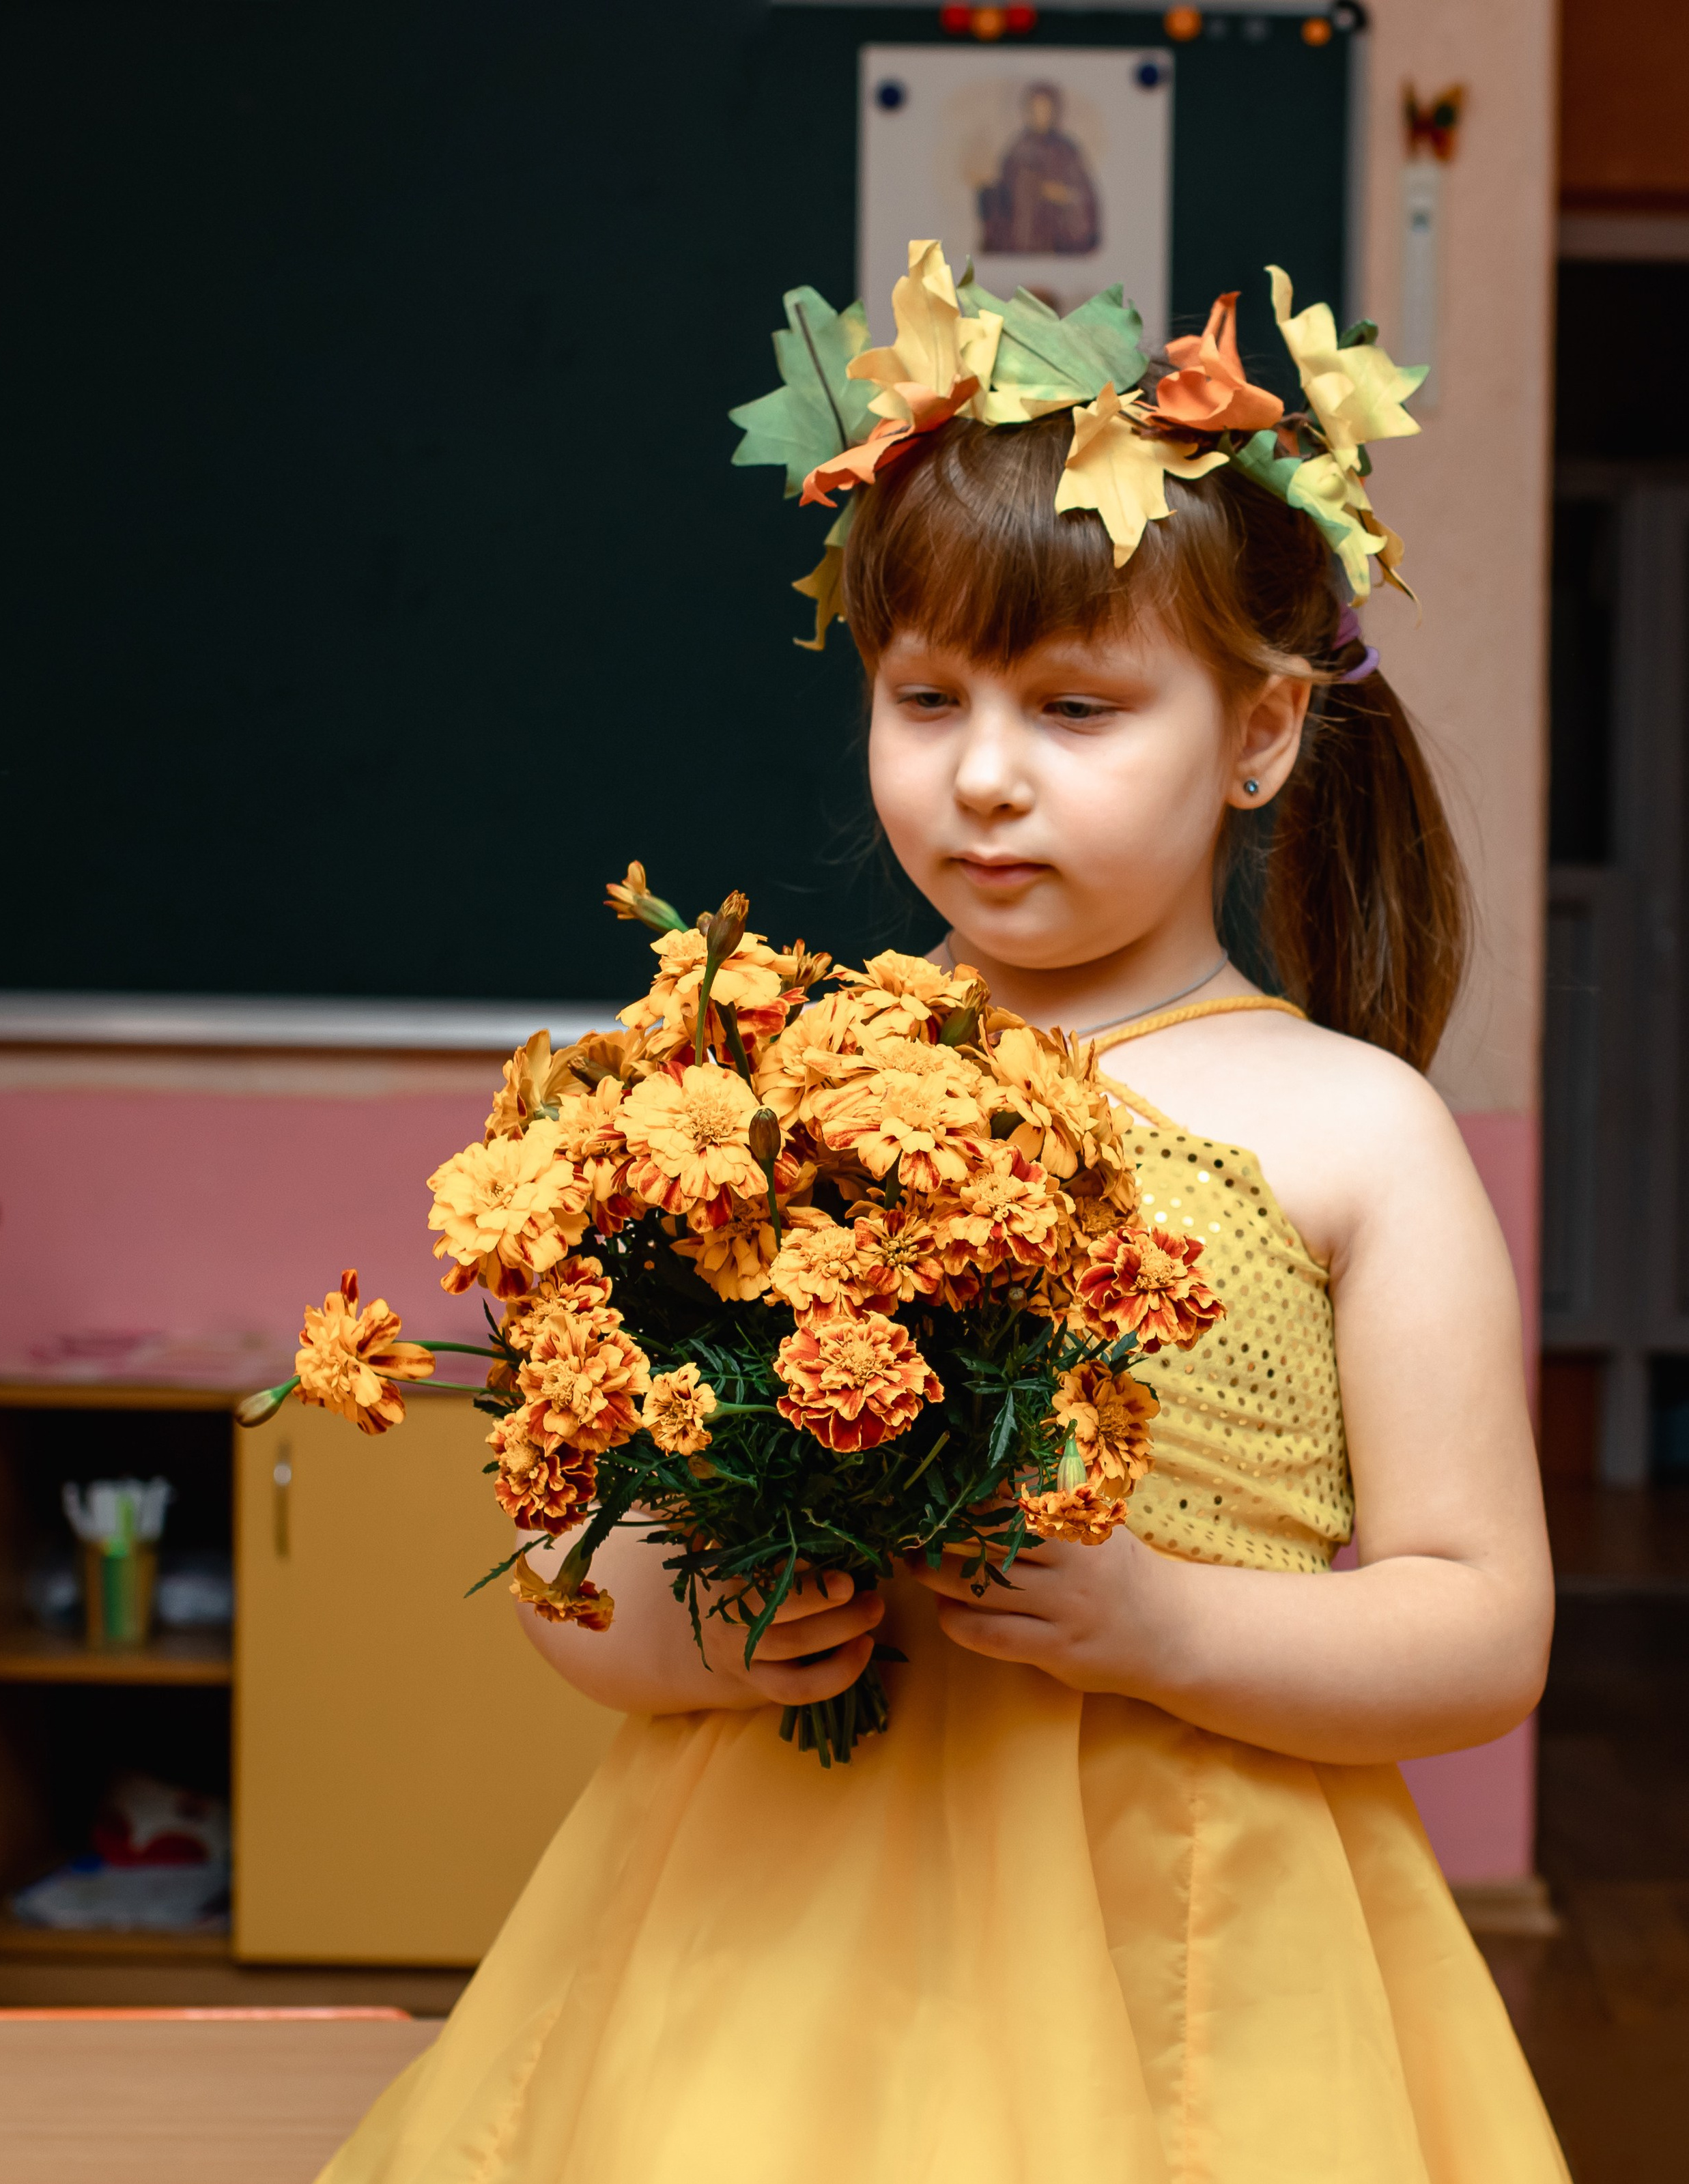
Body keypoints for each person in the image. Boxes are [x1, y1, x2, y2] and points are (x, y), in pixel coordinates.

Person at [319, 254, 1567, 2181]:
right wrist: (689, 1641)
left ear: (1257, 737)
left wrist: (1162, 1623)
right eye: (928, 699)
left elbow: (1483, 1633)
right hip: (764, 1965)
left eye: (1078, 708)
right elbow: (576, 1553)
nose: (985, 775)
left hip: (1198, 1964)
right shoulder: (762, 1095)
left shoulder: (1357, 1131)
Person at [978, 81, 1100, 255]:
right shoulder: (1017, 150)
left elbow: (1085, 200)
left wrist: (1064, 196)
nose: (1040, 115)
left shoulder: (1067, 151)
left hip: (1057, 243)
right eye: (1035, 110)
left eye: (1045, 110)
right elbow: (1003, 199)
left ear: (1054, 112)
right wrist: (985, 191)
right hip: (1023, 243)